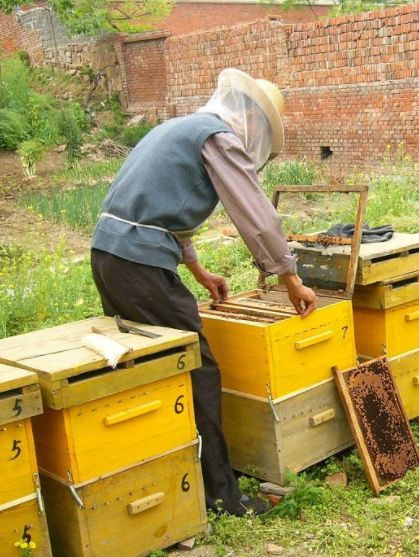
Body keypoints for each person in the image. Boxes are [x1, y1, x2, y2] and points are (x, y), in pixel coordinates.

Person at [90, 68, 318, 516]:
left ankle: (167, 477)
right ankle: (222, 493)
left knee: (149, 367)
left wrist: (197, 270)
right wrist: (289, 277)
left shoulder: (178, 127)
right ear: (253, 120)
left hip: (109, 255)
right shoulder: (218, 136)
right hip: (139, 262)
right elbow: (253, 213)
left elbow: (161, 209)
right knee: (196, 367)